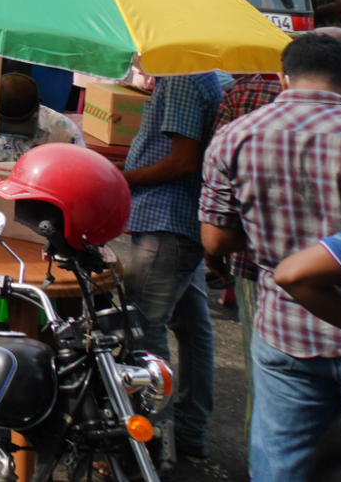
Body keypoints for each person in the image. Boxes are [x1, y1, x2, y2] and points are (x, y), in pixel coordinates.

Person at [201, 33, 341, 482]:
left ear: (284, 78)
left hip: (282, 326)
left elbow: (215, 241)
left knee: (282, 464)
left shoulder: (234, 136)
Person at [116, 70, 224, 470]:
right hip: (181, 222)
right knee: (194, 330)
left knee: (143, 328)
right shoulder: (202, 76)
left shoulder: (181, 77)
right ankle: (190, 432)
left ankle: (152, 445)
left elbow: (183, 160)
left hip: (168, 221)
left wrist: (121, 178)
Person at [204, 68, 283, 427]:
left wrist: (214, 255)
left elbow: (217, 230)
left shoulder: (240, 101)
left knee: (267, 383)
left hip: (255, 264)